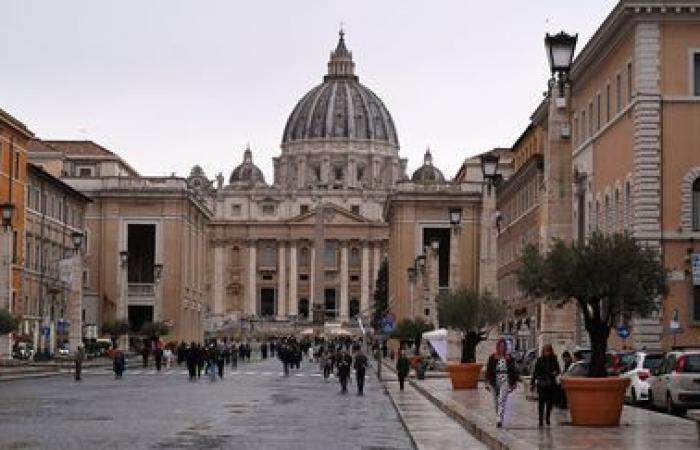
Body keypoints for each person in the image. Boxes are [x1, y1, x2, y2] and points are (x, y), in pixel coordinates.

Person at [485, 339, 519, 428]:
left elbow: (514, 371)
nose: (502, 348)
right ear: (497, 347)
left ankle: (499, 419)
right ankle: (498, 416)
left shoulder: (509, 358)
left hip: (505, 379)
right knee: (496, 401)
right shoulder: (492, 357)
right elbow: (488, 370)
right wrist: (487, 382)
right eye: (500, 346)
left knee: (502, 399)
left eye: (503, 346)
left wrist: (514, 382)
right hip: (494, 380)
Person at [531, 344, 561, 427]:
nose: (547, 353)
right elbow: (535, 372)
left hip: (551, 384)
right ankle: (540, 419)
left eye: (548, 351)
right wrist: (532, 383)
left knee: (550, 402)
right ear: (543, 351)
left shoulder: (554, 360)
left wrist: (555, 373)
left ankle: (547, 417)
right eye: (545, 351)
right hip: (542, 384)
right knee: (541, 402)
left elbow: (558, 370)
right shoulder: (539, 360)